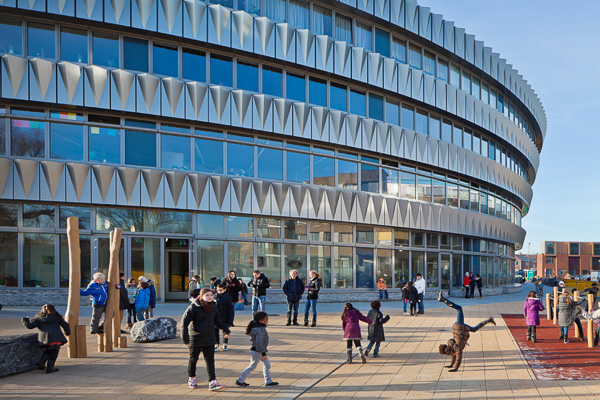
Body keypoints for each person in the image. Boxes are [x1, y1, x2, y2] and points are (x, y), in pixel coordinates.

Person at [181, 288, 231, 391]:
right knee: (193, 359)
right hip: (195, 337)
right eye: (207, 295)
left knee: (210, 360)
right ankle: (192, 378)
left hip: (209, 337)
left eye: (211, 295)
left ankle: (212, 382)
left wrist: (226, 330)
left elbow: (218, 321)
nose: (210, 297)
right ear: (201, 296)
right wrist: (185, 339)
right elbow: (184, 323)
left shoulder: (213, 307)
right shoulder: (194, 307)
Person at [437, 291, 496, 372]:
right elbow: (454, 356)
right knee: (474, 329)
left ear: (451, 352)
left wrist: (455, 368)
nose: (452, 356)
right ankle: (489, 320)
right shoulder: (452, 346)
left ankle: (443, 299)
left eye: (450, 354)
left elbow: (458, 358)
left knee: (459, 309)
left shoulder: (456, 348)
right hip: (459, 328)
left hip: (460, 327)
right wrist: (451, 365)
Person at [22, 304, 71, 373]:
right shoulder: (57, 317)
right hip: (56, 337)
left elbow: (30, 326)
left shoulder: (38, 318)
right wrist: (67, 333)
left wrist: (25, 320)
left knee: (48, 350)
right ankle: (50, 368)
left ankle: (41, 364)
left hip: (45, 339)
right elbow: (66, 325)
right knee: (54, 352)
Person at [235, 311, 279, 388]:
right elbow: (259, 343)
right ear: (261, 320)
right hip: (258, 351)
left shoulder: (259, 327)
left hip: (258, 350)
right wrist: (263, 353)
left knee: (266, 364)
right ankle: (240, 380)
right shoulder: (259, 330)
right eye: (266, 318)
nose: (267, 320)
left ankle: (268, 381)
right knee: (253, 366)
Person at [215, 284, 235, 352]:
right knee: (215, 331)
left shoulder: (227, 298)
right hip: (215, 318)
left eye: (221, 290)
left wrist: (230, 320)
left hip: (224, 317)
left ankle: (225, 344)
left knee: (225, 331)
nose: (219, 291)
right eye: (218, 290)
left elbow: (231, 310)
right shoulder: (215, 297)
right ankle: (216, 344)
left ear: (225, 290)